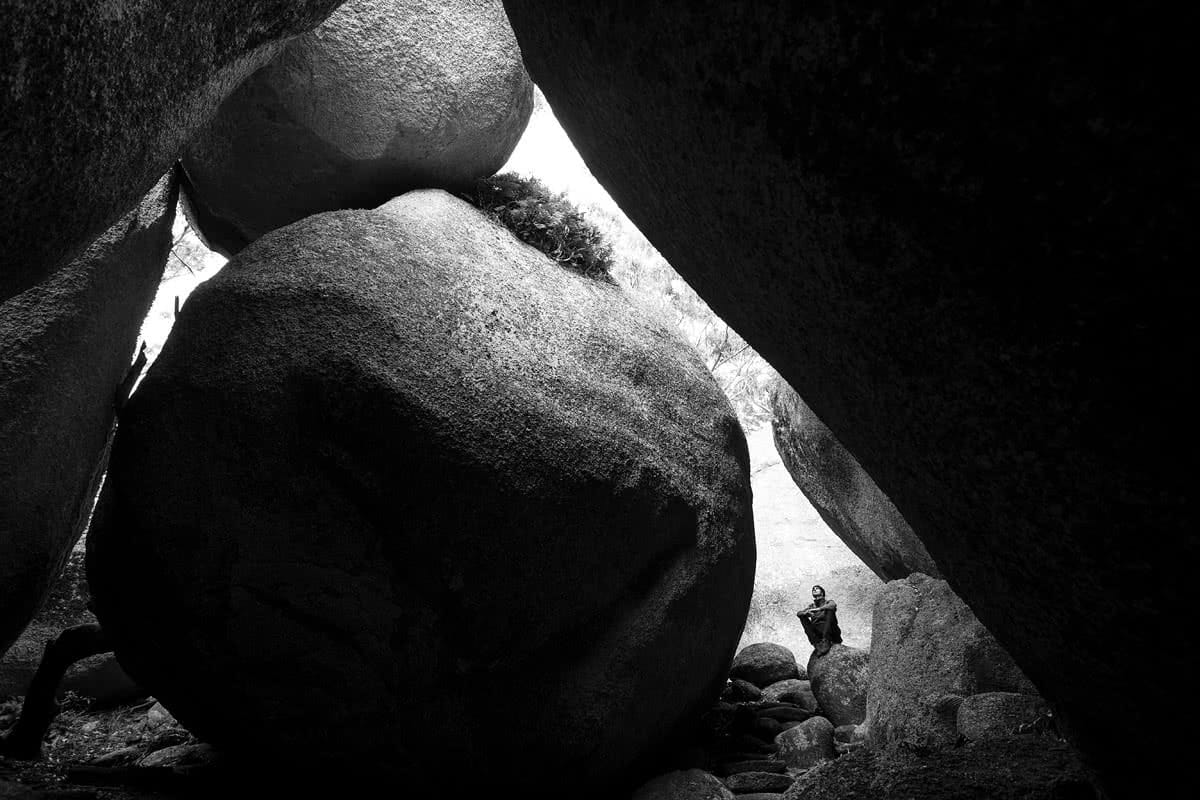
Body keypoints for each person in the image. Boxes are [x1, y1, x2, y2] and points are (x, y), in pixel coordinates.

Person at [796, 584, 841, 656]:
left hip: (831, 632)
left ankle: (826, 640)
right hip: (818, 633)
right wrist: (806, 613)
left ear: (822, 593)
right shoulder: (811, 606)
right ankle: (816, 643)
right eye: (813, 589)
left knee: (830, 610)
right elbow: (799, 613)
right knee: (802, 617)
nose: (814, 589)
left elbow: (833, 606)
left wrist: (818, 609)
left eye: (817, 588)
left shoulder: (828, 602)